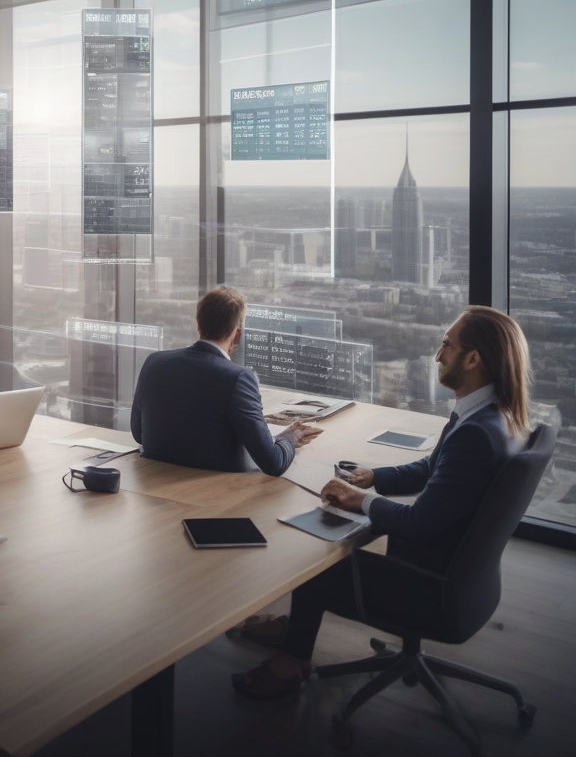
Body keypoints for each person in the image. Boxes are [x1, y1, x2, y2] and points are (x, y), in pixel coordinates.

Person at [234, 305, 530, 699]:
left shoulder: (475, 433)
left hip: (429, 591)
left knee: (314, 561)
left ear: (473, 358)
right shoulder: (490, 416)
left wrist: (362, 500)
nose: (438, 355)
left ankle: (293, 660)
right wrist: (374, 478)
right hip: (466, 582)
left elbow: (418, 523)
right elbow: (432, 467)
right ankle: (295, 633)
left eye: (447, 344)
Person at [130, 286, 322, 476]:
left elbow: (140, 435)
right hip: (219, 495)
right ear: (237, 333)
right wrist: (290, 438)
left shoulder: (154, 362)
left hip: (156, 487)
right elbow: (273, 463)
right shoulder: (239, 378)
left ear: (199, 324)